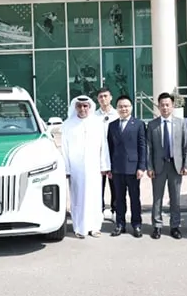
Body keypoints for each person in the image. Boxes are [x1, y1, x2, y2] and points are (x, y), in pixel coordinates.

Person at [62, 96, 110, 239]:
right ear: (75, 107)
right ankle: (80, 228)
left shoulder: (97, 123)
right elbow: (64, 149)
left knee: (95, 197)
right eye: (79, 106)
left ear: (89, 107)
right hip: (76, 170)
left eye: (85, 106)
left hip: (94, 168)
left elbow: (104, 146)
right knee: (78, 198)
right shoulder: (67, 124)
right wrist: (67, 169)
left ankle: (95, 227)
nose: (82, 109)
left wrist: (104, 166)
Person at [146, 93, 187, 240]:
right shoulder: (152, 125)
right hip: (159, 166)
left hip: (175, 166)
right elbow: (149, 148)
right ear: (158, 106)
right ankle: (157, 226)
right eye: (162, 105)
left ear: (172, 106)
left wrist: (186, 165)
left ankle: (175, 226)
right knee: (157, 198)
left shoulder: (181, 123)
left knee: (175, 198)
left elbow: (186, 145)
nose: (165, 107)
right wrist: (150, 167)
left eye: (168, 104)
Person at [106, 95, 147, 238]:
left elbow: (142, 147)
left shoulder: (139, 124)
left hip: (133, 168)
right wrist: (109, 167)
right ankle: (120, 224)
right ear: (117, 108)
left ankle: (136, 224)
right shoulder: (112, 125)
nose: (123, 109)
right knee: (119, 198)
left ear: (131, 107)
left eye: (126, 106)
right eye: (121, 106)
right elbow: (109, 148)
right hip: (117, 168)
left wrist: (141, 167)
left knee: (135, 198)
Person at [95, 86, 118, 215]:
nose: (103, 99)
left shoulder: (116, 115)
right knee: (99, 186)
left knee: (115, 185)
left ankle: (115, 211)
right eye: (100, 97)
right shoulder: (94, 116)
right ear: (97, 100)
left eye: (105, 96)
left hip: (114, 154)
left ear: (111, 98)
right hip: (98, 155)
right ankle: (99, 211)